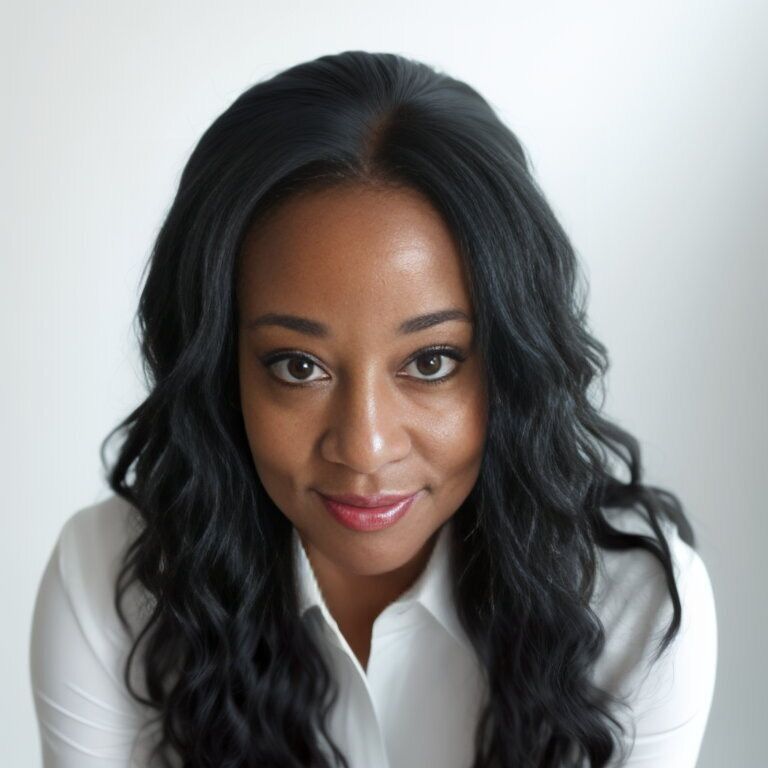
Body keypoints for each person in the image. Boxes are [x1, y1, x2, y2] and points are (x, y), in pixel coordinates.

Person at [29, 50, 717, 768]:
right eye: (298, 367)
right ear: (217, 364)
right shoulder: (111, 582)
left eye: (430, 363)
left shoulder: (637, 608)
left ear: (512, 364)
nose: (364, 447)